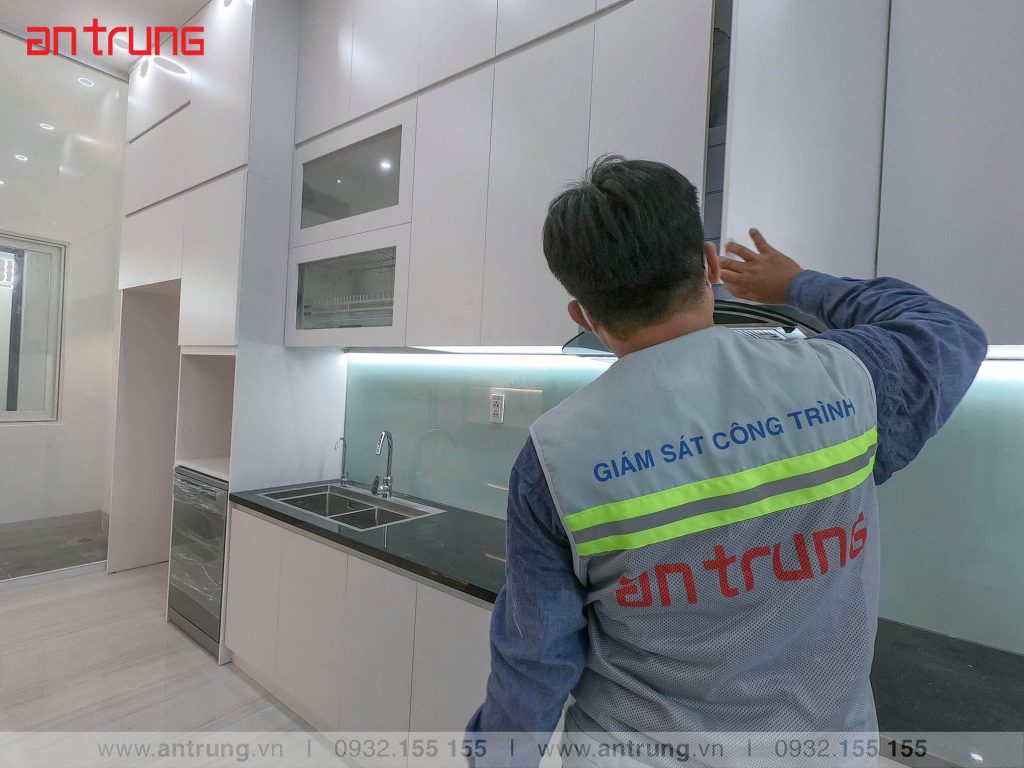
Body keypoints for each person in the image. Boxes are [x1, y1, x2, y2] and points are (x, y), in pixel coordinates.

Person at [465, 155, 988, 767]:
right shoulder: (848, 380)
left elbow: (535, 659)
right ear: (711, 266)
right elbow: (948, 330)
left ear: (583, 314)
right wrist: (797, 284)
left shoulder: (554, 457)